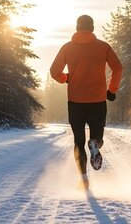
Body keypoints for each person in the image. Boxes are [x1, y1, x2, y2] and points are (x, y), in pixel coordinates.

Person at [50, 14, 122, 189]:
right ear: (92, 28)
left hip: (75, 102)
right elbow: (118, 67)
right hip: (97, 100)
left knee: (78, 142)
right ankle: (96, 144)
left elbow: (54, 71)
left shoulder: (67, 48)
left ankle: (83, 180)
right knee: (97, 136)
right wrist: (111, 90)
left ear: (77, 27)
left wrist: (66, 78)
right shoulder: (103, 47)